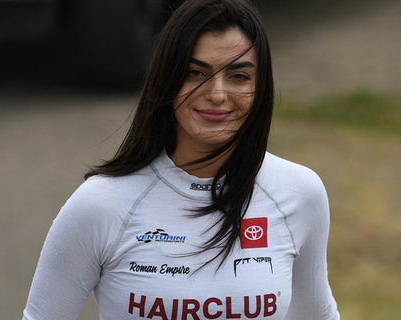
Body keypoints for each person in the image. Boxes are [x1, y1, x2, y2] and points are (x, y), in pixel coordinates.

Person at [22, 0, 340, 319]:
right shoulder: (100, 204)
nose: (216, 93)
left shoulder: (300, 193)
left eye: (239, 76)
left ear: (260, 88)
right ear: (167, 80)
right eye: (195, 72)